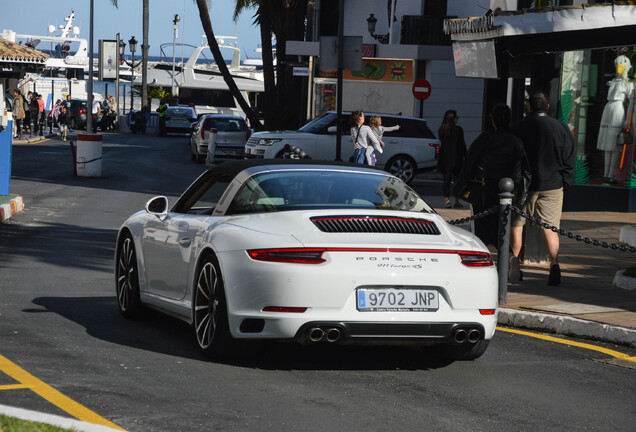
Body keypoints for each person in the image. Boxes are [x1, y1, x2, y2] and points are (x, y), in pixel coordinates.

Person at [511, 92, 576, 286]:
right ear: (547, 107)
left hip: (524, 185)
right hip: (552, 185)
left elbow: (513, 156)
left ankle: (514, 264)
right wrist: (565, 180)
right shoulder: (561, 128)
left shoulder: (518, 128)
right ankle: (554, 265)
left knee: (517, 224)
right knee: (551, 228)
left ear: (529, 107)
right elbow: (569, 158)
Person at [455, 103, 528, 250]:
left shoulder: (486, 138)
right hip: (506, 193)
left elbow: (469, 161)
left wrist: (460, 187)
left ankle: (485, 261)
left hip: (483, 190)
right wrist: (519, 193)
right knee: (502, 231)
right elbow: (524, 170)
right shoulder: (516, 141)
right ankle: (507, 261)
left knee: (481, 232)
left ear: (493, 119)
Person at [596, 54, 634, 183]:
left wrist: (627, 120)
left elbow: (631, 103)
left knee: (614, 144)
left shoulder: (628, 84)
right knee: (607, 145)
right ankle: (606, 173)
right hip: (608, 108)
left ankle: (611, 174)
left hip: (618, 109)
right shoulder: (613, 81)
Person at [437, 110, 467, 208]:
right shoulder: (458, 130)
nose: (457, 119)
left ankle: (447, 201)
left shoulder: (442, 130)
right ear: (452, 118)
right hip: (456, 158)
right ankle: (456, 200)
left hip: (445, 158)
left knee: (446, 180)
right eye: (456, 117)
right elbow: (462, 145)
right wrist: (466, 156)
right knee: (457, 180)